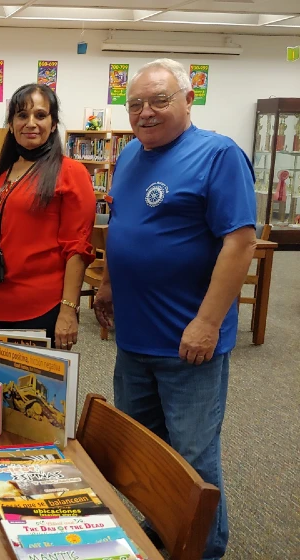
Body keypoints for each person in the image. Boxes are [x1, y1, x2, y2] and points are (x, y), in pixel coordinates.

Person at [93, 58, 257, 560]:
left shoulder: (218, 155)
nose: (145, 112)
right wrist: (109, 286)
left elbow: (240, 242)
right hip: (135, 339)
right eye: (135, 103)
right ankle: (164, 529)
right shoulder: (129, 156)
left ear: (188, 100)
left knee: (192, 456)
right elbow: (127, 231)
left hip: (190, 344)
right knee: (145, 452)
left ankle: (204, 548)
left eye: (158, 100)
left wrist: (207, 323)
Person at [0, 83, 95, 349]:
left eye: (40, 115)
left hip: (40, 308)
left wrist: (69, 310)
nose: (31, 123)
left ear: (54, 123)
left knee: (32, 389)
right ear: (11, 124)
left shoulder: (71, 172)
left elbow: (77, 248)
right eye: (22, 115)